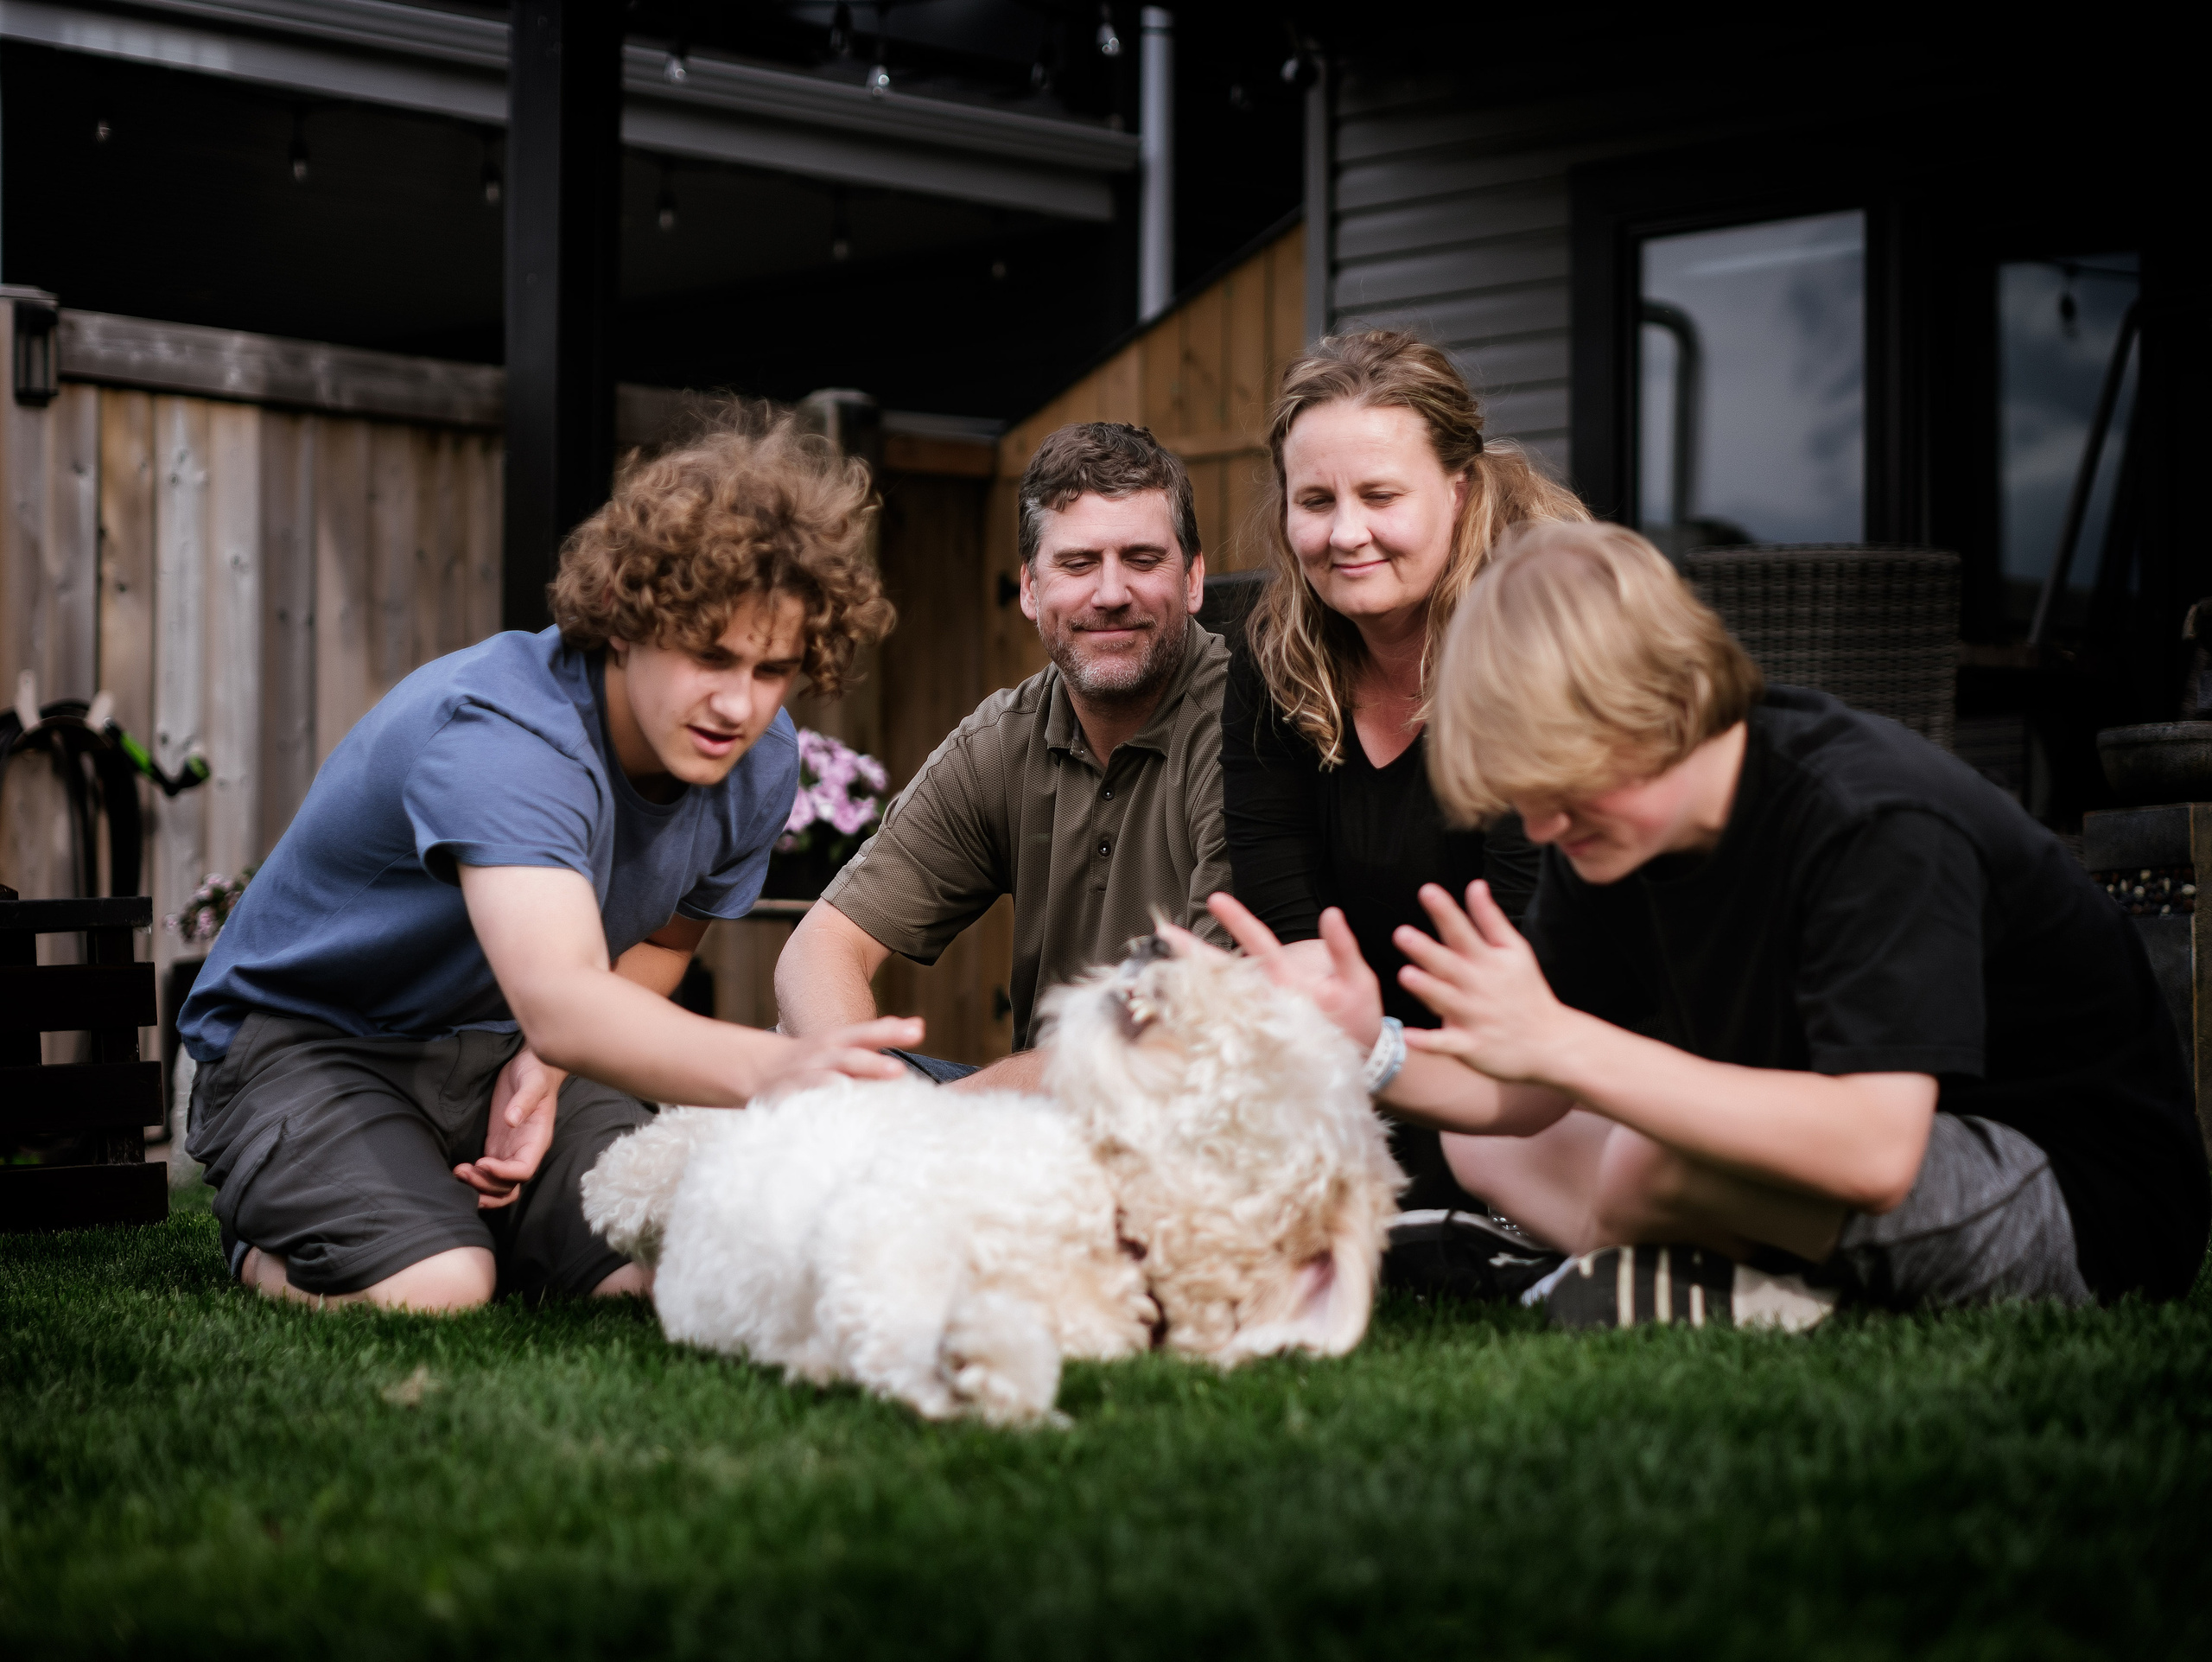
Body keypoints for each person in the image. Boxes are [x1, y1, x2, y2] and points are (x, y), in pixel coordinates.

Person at [1211, 520, 2210, 1326]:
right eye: (1526, 805)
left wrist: (1565, 1047)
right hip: (1851, 1151)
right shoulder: (1613, 834)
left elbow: (1876, 1149)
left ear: (1655, 708)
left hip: (2076, 1203)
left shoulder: (1867, 816)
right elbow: (1514, 1094)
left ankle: (1630, 1280)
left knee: (1646, 1153)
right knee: (1494, 1149)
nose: (1546, 830)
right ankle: (1696, 1273)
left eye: (1562, 794)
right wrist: (1364, 1046)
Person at [181, 412, 922, 1313]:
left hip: (503, 1049)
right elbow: (568, 999)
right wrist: (776, 1071)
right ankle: (272, 1239)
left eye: (773, 668)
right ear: (623, 619)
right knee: (443, 1287)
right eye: (709, 655)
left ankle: (453, 1211)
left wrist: (547, 1065)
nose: (739, 703)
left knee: (648, 1275)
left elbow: (660, 943)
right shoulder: (507, 734)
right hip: (314, 1045)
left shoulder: (759, 762)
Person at [1220, 328, 1587, 1209]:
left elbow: (1526, 939)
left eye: (1380, 495)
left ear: (1459, 491)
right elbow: (1282, 907)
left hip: (1519, 1063)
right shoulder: (1273, 657)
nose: (1346, 534)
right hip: (1339, 1056)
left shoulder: (1531, 642)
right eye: (1315, 500)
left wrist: (1389, 1065)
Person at [775, 421, 1232, 1088]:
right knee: (790, 1059)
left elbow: (1192, 1030)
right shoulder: (1007, 737)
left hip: (1188, 1119)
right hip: (1027, 1128)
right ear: (1028, 589)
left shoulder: (1244, 732)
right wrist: (863, 1101)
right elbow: (819, 948)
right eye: (1077, 564)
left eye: (1141, 559)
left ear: (1192, 579)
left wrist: (941, 1116)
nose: (1110, 593)